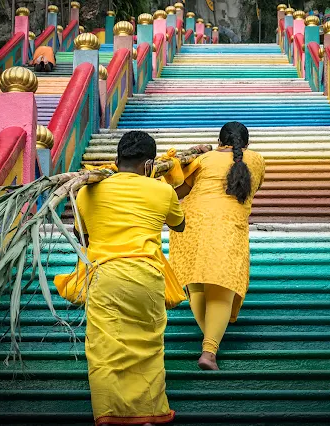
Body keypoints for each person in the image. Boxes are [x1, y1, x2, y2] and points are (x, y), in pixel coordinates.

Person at [58, 131, 185, 425]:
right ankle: (150, 415)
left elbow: (82, 235)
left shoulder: (88, 190)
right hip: (146, 276)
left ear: (116, 160)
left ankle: (108, 417)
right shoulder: (163, 191)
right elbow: (179, 225)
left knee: (104, 352)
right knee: (149, 349)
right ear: (150, 163)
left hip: (105, 276)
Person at [169, 121, 265, 371]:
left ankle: (210, 343)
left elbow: (181, 191)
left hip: (192, 225)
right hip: (228, 228)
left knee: (198, 285)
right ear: (247, 144)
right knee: (222, 287)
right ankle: (209, 351)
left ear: (219, 141)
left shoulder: (203, 160)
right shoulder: (256, 160)